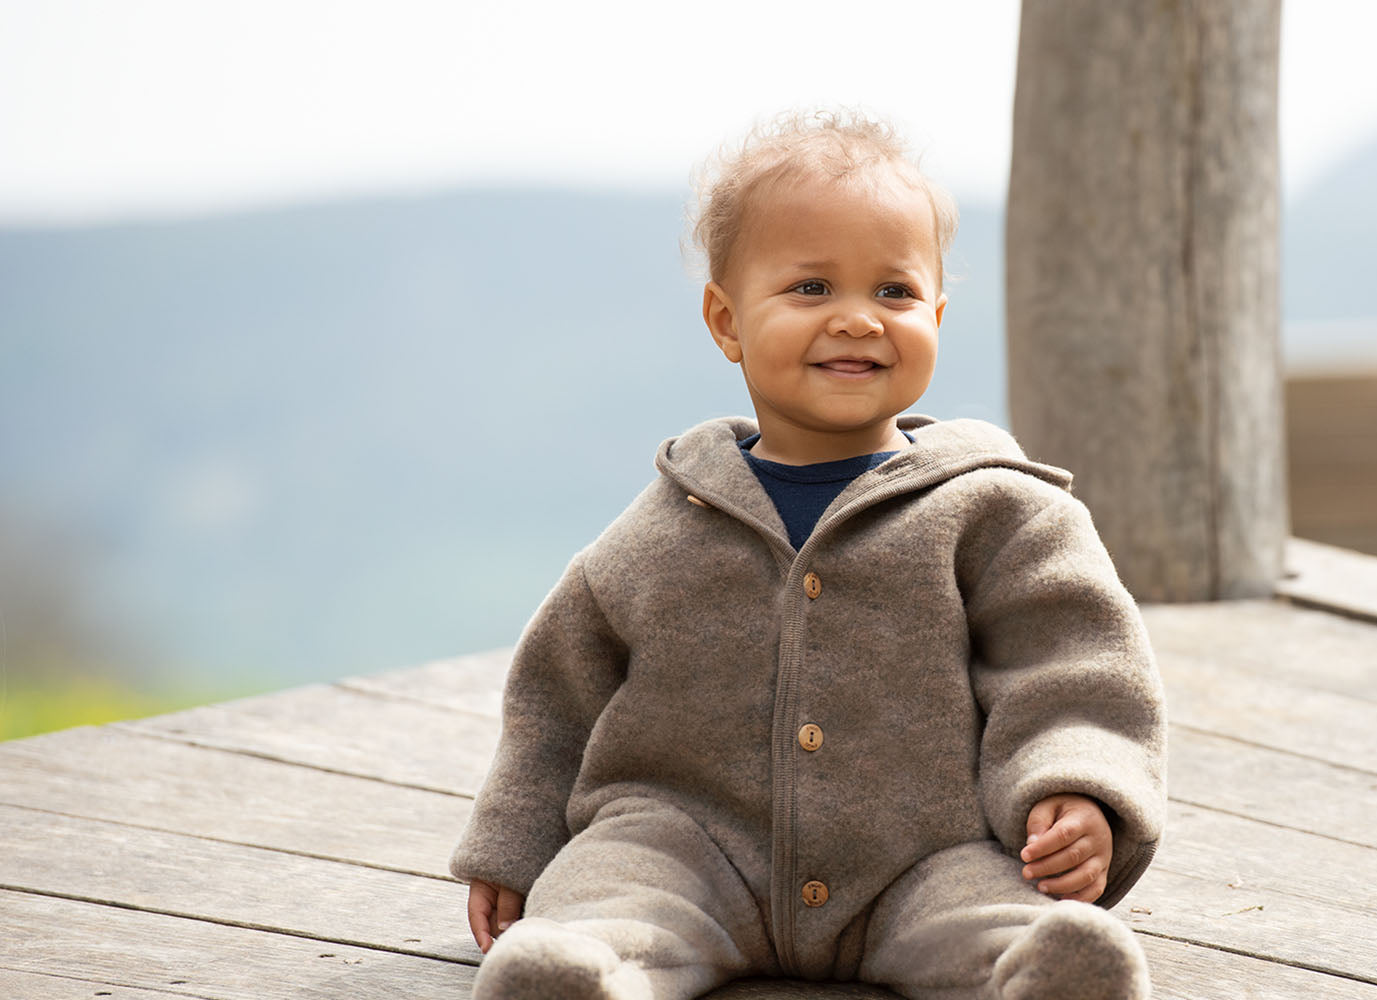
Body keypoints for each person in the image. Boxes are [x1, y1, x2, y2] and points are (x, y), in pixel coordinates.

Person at [451, 109, 1167, 1000]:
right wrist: (514, 847)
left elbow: (1075, 668)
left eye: (895, 293)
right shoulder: (665, 524)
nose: (859, 320)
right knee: (613, 891)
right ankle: (582, 977)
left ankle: (1042, 976)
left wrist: (1079, 788)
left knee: (1000, 914)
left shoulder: (996, 510)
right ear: (727, 320)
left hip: (924, 850)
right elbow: (557, 697)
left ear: (937, 313)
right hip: (686, 841)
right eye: (812, 288)